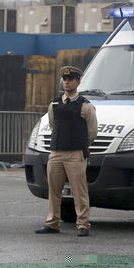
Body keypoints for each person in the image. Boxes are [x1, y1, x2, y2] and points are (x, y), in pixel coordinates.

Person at [35, 66, 97, 237]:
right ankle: (52, 222)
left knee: (79, 191)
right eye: (64, 79)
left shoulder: (85, 106)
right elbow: (53, 124)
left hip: (75, 154)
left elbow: (92, 132)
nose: (67, 82)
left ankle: (83, 224)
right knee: (54, 190)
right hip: (56, 153)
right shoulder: (54, 104)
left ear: (78, 82)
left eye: (70, 79)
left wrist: (80, 146)